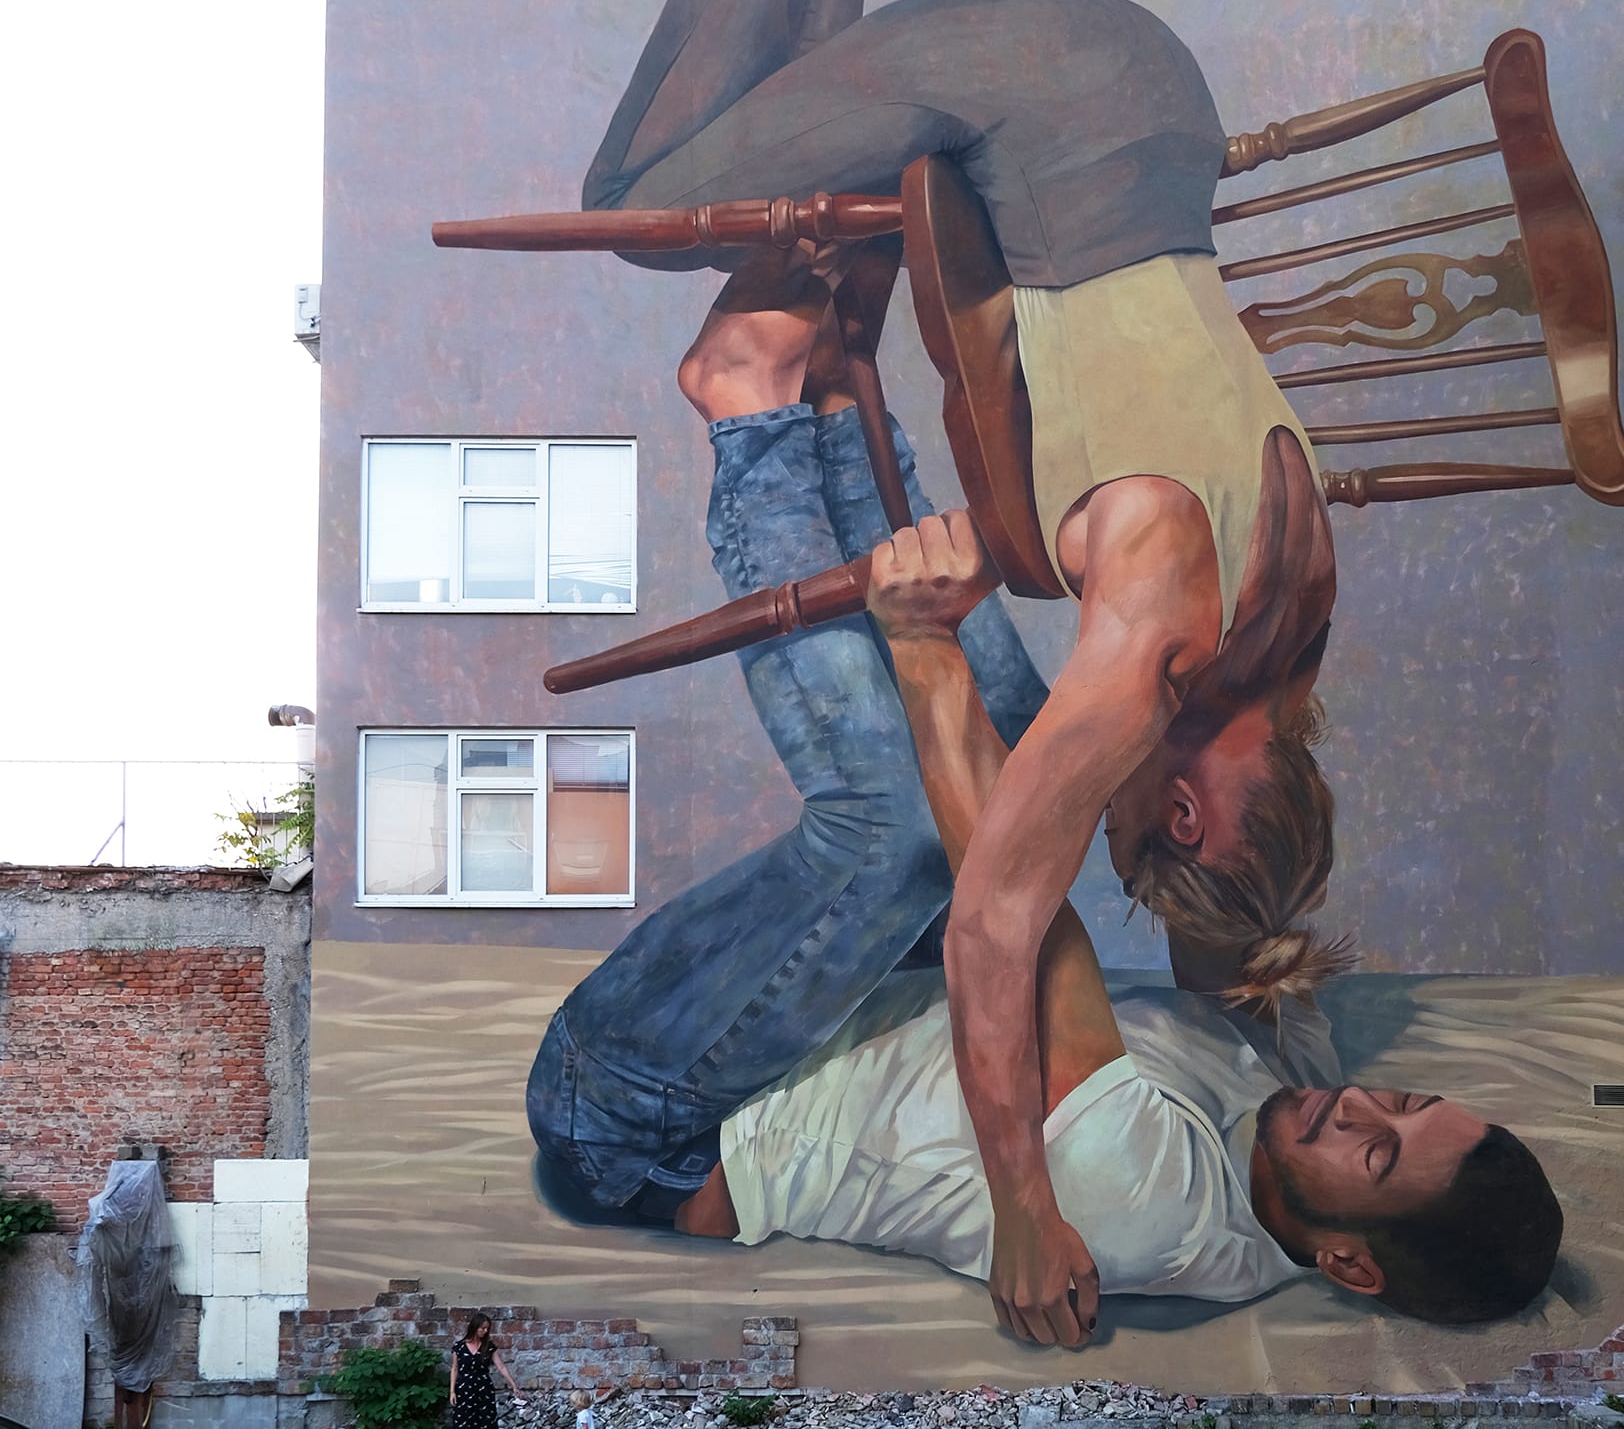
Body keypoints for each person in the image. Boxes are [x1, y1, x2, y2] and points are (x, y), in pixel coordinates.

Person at [582, 0, 1341, 1345]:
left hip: (1138, 122)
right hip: (1050, 86)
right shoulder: (1157, 630)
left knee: (783, 176)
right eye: (1146, 826)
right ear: (1201, 807)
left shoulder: (1294, 600)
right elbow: (996, 928)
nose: (1121, 796)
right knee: (639, 204)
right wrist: (1023, 1215)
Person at [526, 400, 1563, 1336]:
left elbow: (1022, 917)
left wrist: (924, 638)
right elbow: (1221, 920)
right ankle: (843, 418)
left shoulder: (1156, 1206)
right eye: (1404, 1100)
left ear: (1347, 1262)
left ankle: (753, 414)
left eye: (1375, 1153)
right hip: (821, 1021)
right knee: (1043, 748)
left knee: (898, 835)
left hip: (656, 1121)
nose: (1357, 1109)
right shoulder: (1297, 1106)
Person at [447, 1314, 521, 1429]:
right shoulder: (459, 1347)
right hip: (464, 1390)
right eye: (482, 1328)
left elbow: (500, 1366)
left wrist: (513, 1385)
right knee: (464, 1426)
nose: (485, 1331)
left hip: (483, 1390)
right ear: (474, 1327)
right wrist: (452, 1391)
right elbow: (455, 1369)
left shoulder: (489, 1347)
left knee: (484, 1426)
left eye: (487, 1328)